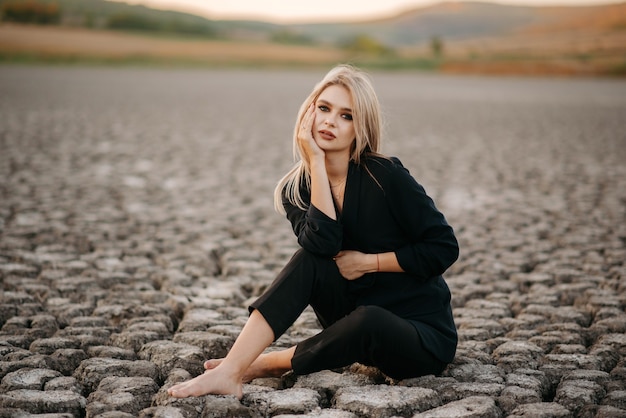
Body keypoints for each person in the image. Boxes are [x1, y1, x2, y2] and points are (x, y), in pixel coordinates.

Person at [168, 64, 459, 399]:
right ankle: (231, 370)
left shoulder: (385, 176)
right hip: (352, 323)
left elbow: (444, 247)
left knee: (371, 320)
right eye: (324, 108)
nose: (330, 121)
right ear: (309, 112)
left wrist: (370, 263)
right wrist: (317, 166)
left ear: (360, 127)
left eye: (346, 116)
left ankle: (268, 363)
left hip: (419, 336)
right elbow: (323, 243)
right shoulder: (296, 189)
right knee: (309, 259)